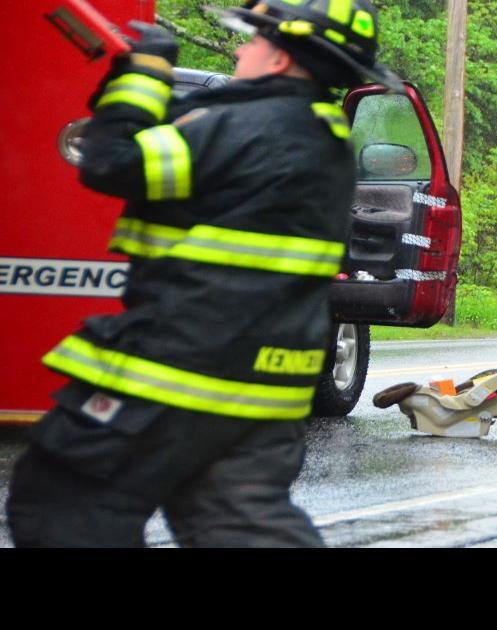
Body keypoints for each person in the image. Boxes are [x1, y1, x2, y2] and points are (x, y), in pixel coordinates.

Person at [5, 0, 400, 547]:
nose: (241, 49)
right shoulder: (318, 137)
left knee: (64, 503)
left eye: (253, 40)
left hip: (180, 368)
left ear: (281, 59)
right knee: (239, 527)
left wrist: (143, 77)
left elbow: (111, 162)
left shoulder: (246, 126)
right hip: (263, 386)